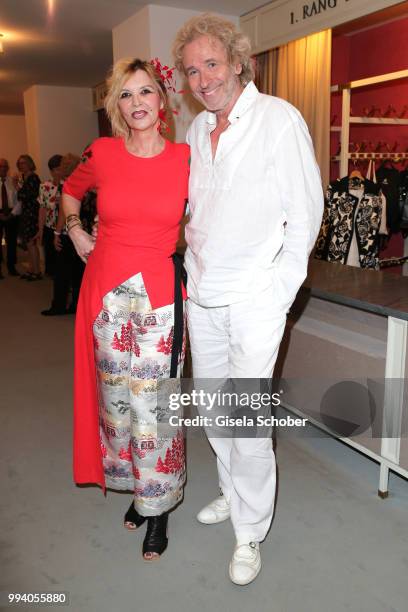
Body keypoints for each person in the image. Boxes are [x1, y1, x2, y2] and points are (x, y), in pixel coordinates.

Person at [173, 13, 324, 585]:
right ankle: (232, 494)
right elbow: (198, 214)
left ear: (237, 61)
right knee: (212, 409)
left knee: (247, 421)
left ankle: (250, 530)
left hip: (255, 298)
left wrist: (279, 291)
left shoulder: (277, 119)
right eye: (191, 71)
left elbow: (306, 212)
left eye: (211, 64)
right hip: (203, 294)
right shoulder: (195, 132)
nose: (202, 79)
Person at [61, 58, 190, 560]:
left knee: (154, 407)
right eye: (126, 94)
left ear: (163, 101)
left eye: (146, 92)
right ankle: (137, 488)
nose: (137, 103)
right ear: (117, 105)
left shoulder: (185, 158)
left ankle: (157, 507)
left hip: (159, 295)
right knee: (116, 407)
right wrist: (75, 231)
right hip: (105, 296)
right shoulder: (104, 153)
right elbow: (70, 192)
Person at [41, 154, 85, 316]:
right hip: (83, 233)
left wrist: (57, 233)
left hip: (69, 233)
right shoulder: (84, 182)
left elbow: (63, 213)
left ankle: (59, 306)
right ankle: (76, 305)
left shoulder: (68, 184)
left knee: (61, 272)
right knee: (78, 272)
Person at [36, 154, 63, 277]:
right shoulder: (44, 187)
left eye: (63, 168)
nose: (61, 171)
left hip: (65, 229)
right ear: (52, 171)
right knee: (53, 262)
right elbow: (42, 209)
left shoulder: (69, 185)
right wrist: (40, 230)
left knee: (64, 262)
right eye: (58, 169)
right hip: (50, 227)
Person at [16, 154, 41, 280]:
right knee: (28, 243)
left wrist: (18, 190)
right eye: (20, 163)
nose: (22, 165)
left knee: (31, 243)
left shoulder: (33, 178)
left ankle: (37, 272)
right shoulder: (23, 178)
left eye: (24, 163)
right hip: (25, 213)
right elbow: (20, 196)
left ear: (30, 163)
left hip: (32, 214)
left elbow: (29, 196)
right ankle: (31, 269)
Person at [0, 158, 20, 278]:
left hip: (12, 214)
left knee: (11, 242)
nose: (3, 169)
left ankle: (11, 267)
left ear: (8, 168)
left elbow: (19, 200)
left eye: (5, 167)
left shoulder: (13, 181)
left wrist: (12, 214)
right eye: (0, 166)